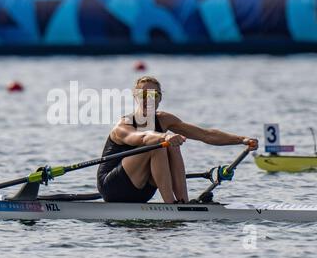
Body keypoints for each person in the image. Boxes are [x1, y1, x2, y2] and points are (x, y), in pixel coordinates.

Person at [97, 76, 258, 204]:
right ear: (135, 97)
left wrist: (242, 139)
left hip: (142, 189)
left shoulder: (165, 120)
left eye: (153, 95)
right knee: (157, 145)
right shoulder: (123, 125)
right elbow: (142, 137)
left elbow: (206, 135)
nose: (148, 99)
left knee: (171, 146)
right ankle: (171, 205)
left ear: (160, 98)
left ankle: (182, 202)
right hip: (113, 187)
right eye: (143, 95)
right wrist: (164, 136)